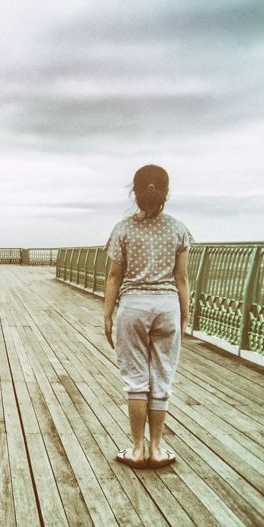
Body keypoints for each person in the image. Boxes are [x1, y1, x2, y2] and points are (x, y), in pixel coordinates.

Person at [102, 164, 193, 469]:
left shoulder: (123, 229)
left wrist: (107, 315)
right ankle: (157, 448)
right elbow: (182, 279)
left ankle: (137, 449)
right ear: (165, 192)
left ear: (135, 192)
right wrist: (184, 314)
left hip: (134, 306)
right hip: (167, 304)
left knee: (136, 380)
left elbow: (114, 276)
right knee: (162, 376)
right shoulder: (178, 229)